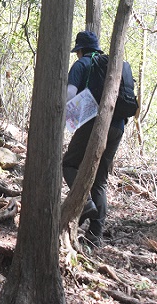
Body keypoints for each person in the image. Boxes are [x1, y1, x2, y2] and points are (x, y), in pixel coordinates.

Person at [63, 30, 126, 247]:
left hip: (94, 123)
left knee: (69, 163)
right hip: (118, 125)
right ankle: (95, 237)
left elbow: (70, 95)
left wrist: (65, 119)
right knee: (100, 181)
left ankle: (87, 204)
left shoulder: (81, 65)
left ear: (80, 50)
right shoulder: (111, 64)